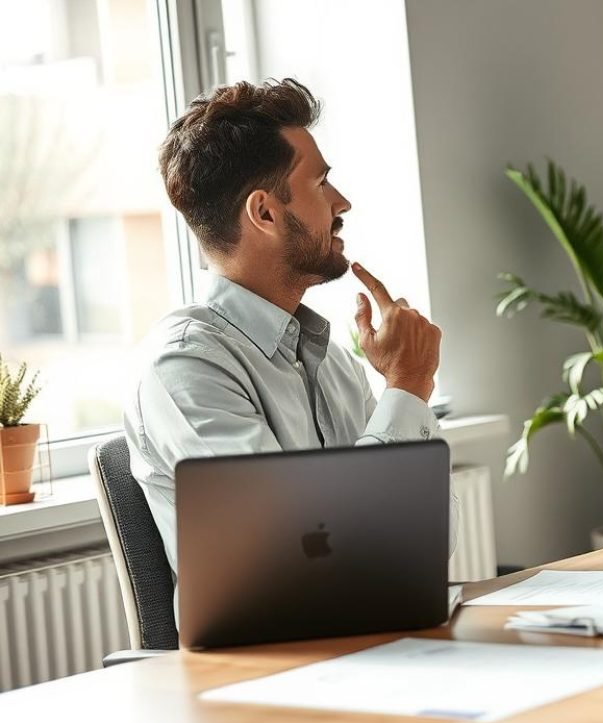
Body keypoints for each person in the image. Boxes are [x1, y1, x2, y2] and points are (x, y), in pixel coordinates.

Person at [125, 78, 458, 617]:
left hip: (372, 643)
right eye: (321, 183)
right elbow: (305, 559)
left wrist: (405, 392)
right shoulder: (184, 366)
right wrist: (407, 386)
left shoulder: (334, 362)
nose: (342, 202)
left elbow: (430, 542)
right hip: (270, 675)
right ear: (265, 213)